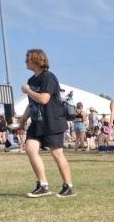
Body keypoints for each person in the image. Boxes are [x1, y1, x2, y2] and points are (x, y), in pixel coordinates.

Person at [18, 49, 75, 198]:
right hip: (37, 123)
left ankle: (68, 186)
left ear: (34, 60)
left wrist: (27, 91)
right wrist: (23, 118)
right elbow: (32, 104)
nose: (25, 62)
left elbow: (43, 99)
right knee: (30, 149)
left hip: (52, 121)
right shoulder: (31, 81)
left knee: (56, 153)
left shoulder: (48, 77)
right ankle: (43, 185)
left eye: (27, 59)